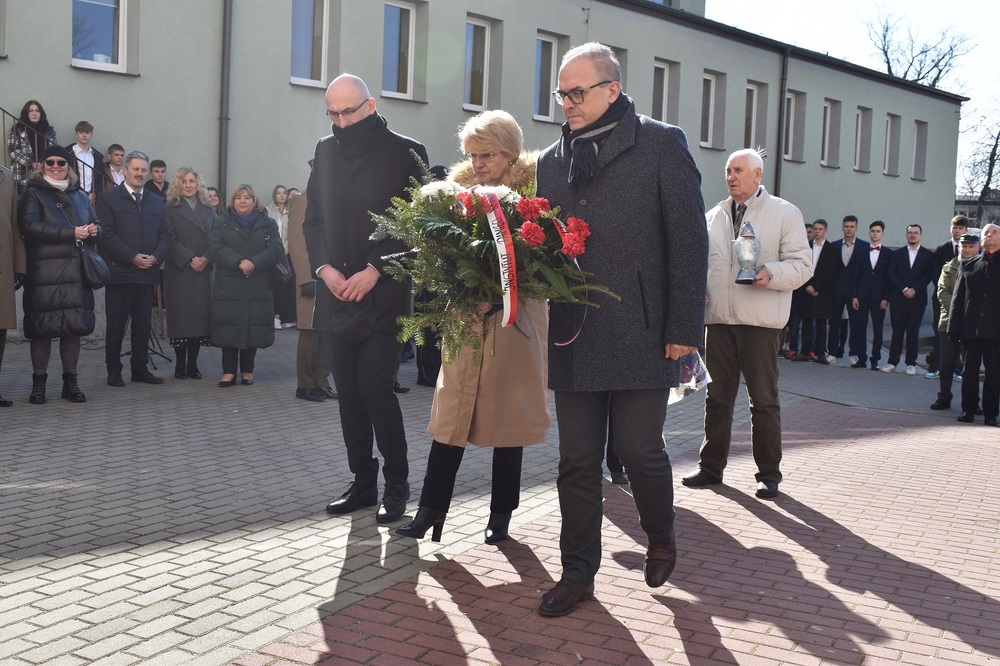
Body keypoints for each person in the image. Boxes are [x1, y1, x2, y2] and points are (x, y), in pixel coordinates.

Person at [534, 43, 707, 617]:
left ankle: (660, 534)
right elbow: (544, 243)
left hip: (644, 328)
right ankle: (577, 574)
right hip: (574, 331)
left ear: (612, 90)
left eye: (577, 92)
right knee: (576, 461)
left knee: (639, 451)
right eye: (562, 94)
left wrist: (684, 327)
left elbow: (689, 242)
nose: (567, 103)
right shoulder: (551, 160)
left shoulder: (660, 143)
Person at [396, 110, 550, 545]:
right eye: (472, 155)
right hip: (467, 318)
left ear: (511, 154)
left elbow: (543, 261)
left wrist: (500, 293)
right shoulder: (457, 195)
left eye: (487, 155)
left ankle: (502, 513)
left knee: (509, 418)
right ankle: (430, 510)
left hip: (515, 320)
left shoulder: (535, 195)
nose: (478, 163)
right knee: (452, 414)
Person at [303, 73, 427, 524]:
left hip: (384, 294)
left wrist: (375, 270)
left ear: (370, 106)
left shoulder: (407, 152)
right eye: (332, 114)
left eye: (347, 112)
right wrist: (325, 269)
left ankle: (397, 484)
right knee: (349, 394)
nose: (340, 122)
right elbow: (313, 221)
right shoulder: (324, 150)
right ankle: (362, 481)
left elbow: (414, 225)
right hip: (336, 292)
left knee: (375, 387)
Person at [683, 148, 811, 496]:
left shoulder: (784, 213)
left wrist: (771, 272)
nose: (731, 176)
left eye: (739, 170)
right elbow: (702, 264)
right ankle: (710, 468)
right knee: (716, 398)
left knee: (763, 401)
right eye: (728, 170)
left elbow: (802, 265)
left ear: (758, 175)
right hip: (719, 320)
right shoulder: (713, 216)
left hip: (760, 322)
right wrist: (698, 289)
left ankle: (769, 474)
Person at [17, 145, 101, 404]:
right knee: (42, 330)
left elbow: (97, 222)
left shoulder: (80, 194)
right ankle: (39, 384)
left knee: (72, 329)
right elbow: (29, 227)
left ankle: (70, 383)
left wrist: (95, 230)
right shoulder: (33, 193)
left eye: (61, 162)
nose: (56, 166)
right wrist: (70, 233)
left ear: (68, 166)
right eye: (50, 162)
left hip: (75, 272)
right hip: (45, 273)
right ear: (42, 166)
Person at [96, 150, 174, 387]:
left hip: (147, 274)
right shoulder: (108, 198)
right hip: (120, 274)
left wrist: (156, 257)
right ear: (124, 171)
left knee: (142, 326)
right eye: (135, 169)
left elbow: (166, 234)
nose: (140, 173)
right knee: (116, 327)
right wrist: (132, 258)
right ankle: (113, 371)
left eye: (143, 170)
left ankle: (140, 369)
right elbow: (106, 234)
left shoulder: (156, 201)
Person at [208, 185, 284, 387]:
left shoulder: (267, 223)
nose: (243, 201)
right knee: (229, 325)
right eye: (238, 197)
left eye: (247, 197)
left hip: (258, 282)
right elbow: (215, 248)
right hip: (229, 283)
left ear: (254, 201)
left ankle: (247, 371)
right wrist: (239, 262)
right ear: (232, 201)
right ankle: (228, 371)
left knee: (253, 327)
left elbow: (277, 249)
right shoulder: (222, 222)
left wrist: (254, 263)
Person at [162, 167, 216, 380]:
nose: (188, 185)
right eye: (184, 181)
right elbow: (167, 237)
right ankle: (179, 364)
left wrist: (206, 258)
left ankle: (192, 364)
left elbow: (217, 237)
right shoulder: (169, 208)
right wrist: (190, 258)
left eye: (192, 181)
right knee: (182, 320)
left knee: (198, 320)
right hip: (180, 271)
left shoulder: (208, 208)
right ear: (178, 184)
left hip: (203, 270)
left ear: (198, 183)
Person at [287, 189, 337, 402]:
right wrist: (305, 278)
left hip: (332, 278)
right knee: (309, 331)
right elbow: (297, 243)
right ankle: (305, 384)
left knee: (327, 331)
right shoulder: (302, 200)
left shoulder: (333, 199)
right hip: (311, 278)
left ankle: (322, 382)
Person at [949, 223, 1000, 426]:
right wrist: (953, 327)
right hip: (971, 330)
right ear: (982, 239)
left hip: (995, 332)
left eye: (995, 232)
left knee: (993, 374)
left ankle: (991, 413)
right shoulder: (969, 265)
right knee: (969, 372)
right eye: (986, 232)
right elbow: (957, 299)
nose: (990, 235)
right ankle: (968, 410)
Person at [931, 232, 980, 410]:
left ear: (978, 248)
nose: (967, 250)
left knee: (970, 366)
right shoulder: (949, 267)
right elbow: (942, 292)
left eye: (971, 247)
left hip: (972, 324)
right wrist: (957, 310)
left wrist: (968, 312)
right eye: (963, 246)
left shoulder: (982, 268)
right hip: (949, 322)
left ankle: (972, 402)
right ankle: (944, 397)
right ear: (958, 247)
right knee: (946, 364)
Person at [883, 224, 934, 375]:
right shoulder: (896, 254)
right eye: (910, 232)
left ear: (920, 235)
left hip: (917, 300)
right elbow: (891, 274)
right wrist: (904, 289)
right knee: (897, 332)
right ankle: (892, 362)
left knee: (913, 332)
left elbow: (928, 275)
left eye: (916, 233)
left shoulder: (928, 255)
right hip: (898, 298)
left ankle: (911, 363)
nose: (913, 235)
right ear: (906, 235)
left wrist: (914, 290)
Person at [926, 215, 969, 379]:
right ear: (951, 229)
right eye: (955, 227)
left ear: (965, 230)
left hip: (964, 300)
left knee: (960, 335)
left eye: (960, 228)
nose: (957, 231)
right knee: (940, 334)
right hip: (942, 299)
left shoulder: (970, 249)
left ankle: (957, 370)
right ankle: (937, 367)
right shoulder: (941, 249)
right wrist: (947, 294)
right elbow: (935, 274)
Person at [792, 218, 837, 364]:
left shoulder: (832, 250)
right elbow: (802, 266)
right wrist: (808, 286)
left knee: (821, 324)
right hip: (806, 290)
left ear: (825, 230)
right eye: (815, 229)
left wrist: (816, 287)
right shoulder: (806, 247)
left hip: (822, 292)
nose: (817, 232)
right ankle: (804, 352)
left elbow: (831, 272)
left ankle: (820, 353)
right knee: (806, 323)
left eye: (820, 229)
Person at [1, 164, 27, 406]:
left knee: (0, 330)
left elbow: (14, 224)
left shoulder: (7, 177)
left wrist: (20, 264)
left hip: (3, 267)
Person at [827, 215, 869, 364]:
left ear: (856, 228)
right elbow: (831, 269)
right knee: (834, 323)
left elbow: (864, 271)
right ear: (842, 228)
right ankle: (832, 352)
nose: (849, 229)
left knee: (855, 324)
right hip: (837, 290)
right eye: (846, 226)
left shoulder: (864, 246)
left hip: (854, 291)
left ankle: (854, 353)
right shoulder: (834, 245)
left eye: (852, 226)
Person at [852, 220, 892, 370]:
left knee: (878, 329)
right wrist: (854, 296)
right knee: (860, 328)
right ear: (869, 233)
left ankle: (875, 360)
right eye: (873, 231)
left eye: (878, 231)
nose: (875, 234)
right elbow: (856, 275)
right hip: (862, 295)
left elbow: (889, 278)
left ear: (882, 233)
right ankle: (861, 358)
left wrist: (886, 297)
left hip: (879, 297)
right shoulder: (861, 252)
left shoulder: (889, 254)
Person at [6, 100, 57, 194]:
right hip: (23, 173)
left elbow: (54, 150)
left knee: (44, 199)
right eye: (31, 111)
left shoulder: (49, 131)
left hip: (45, 172)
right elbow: (13, 150)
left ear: (41, 114)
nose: (34, 113)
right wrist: (31, 163)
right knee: (24, 200)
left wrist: (44, 163)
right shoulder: (17, 129)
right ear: (26, 113)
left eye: (37, 111)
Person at [266, 184, 296, 329]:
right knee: (273, 285)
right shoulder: (268, 211)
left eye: (284, 192)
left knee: (286, 286)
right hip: (272, 254)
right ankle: (271, 317)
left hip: (288, 254)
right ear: (274, 195)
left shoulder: (291, 211)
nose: (282, 195)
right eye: (278, 193)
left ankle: (280, 317)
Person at [66, 121, 111, 206]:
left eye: (87, 132)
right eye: (81, 132)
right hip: (72, 196)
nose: (84, 135)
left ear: (91, 135)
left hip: (92, 199)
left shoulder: (97, 156)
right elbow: (65, 175)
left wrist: (94, 193)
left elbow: (101, 177)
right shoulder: (67, 153)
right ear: (76, 135)